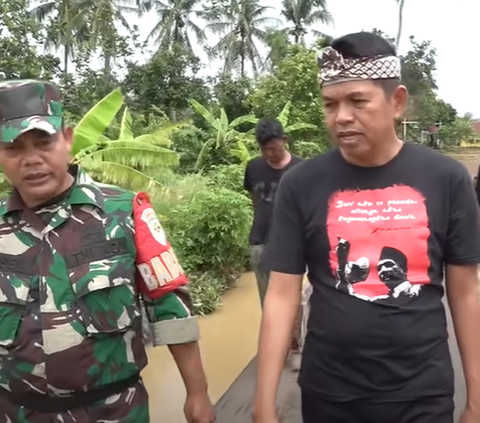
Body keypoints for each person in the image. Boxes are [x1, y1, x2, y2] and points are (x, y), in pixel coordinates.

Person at [253, 31, 480, 423]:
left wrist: (476, 398)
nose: (341, 116)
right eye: (330, 104)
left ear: (397, 102)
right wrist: (263, 403)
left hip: (422, 393)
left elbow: (465, 293)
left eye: (357, 101)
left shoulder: (447, 178)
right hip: (330, 393)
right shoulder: (301, 183)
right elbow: (281, 296)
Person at [0, 80, 215, 423]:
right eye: (13, 148)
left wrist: (198, 392)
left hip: (113, 411)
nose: (31, 160)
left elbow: (170, 307)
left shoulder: (125, 212)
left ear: (67, 138)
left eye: (44, 142)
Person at [243, 118, 304, 368]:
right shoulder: (253, 167)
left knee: (293, 298)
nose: (270, 153)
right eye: (264, 149)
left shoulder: (301, 169)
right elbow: (255, 200)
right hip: (259, 241)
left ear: (284, 141)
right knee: (267, 300)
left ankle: (295, 346)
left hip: (291, 244)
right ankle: (277, 348)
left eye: (274, 147)